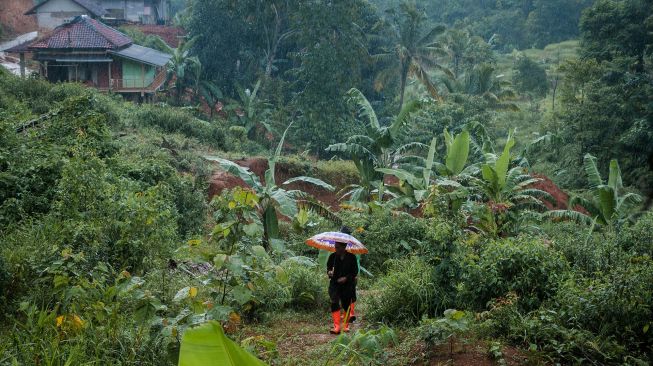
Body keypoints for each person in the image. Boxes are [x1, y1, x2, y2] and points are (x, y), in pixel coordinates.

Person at [326, 241, 358, 334]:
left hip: (347, 285)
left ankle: (345, 326)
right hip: (335, 284)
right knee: (334, 302)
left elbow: (355, 272)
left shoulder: (352, 257)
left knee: (346, 305)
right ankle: (336, 327)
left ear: (344, 247)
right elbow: (328, 268)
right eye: (335, 247)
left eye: (338, 247)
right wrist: (329, 272)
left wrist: (346, 278)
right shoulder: (332, 256)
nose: (336, 249)